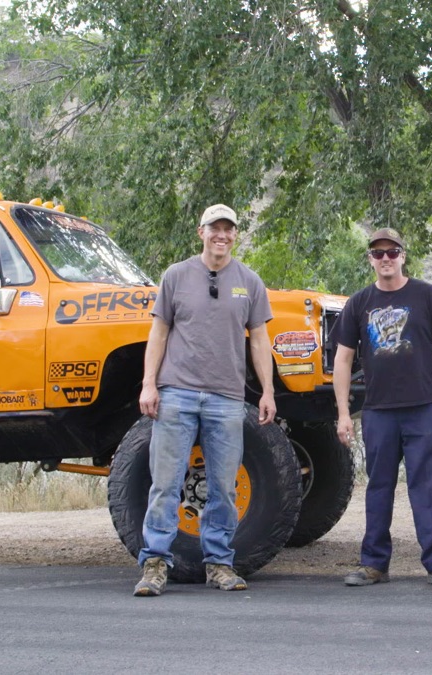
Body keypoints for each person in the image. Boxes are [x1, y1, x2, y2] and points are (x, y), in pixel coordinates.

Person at [132, 203, 276, 597]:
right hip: (176, 393)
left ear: (235, 235)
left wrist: (267, 391)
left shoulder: (250, 281)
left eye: (228, 229)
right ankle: (154, 565)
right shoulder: (176, 276)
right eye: (215, 228)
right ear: (201, 232)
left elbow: (259, 340)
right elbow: (158, 333)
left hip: (226, 397)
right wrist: (149, 384)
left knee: (224, 488)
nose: (222, 235)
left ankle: (219, 565)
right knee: (166, 484)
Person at [332, 227, 432, 588]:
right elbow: (342, 360)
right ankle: (374, 563)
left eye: (392, 252)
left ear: (403, 256)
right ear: (370, 260)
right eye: (378, 253)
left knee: (429, 488)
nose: (386, 259)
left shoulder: (427, 296)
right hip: (378, 411)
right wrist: (343, 414)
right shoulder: (359, 303)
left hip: (423, 409)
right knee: (378, 487)